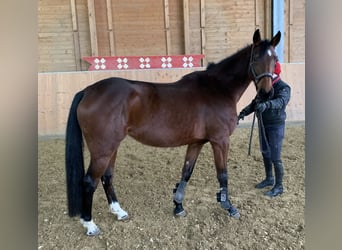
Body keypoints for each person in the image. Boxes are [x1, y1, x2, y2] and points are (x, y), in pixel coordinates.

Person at [238, 61, 291, 197]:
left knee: (275, 156)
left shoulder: (284, 87)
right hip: (263, 123)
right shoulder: (264, 88)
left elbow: (281, 102)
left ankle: (279, 186)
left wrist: (266, 105)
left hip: (275, 125)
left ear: (275, 73)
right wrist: (243, 112)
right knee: (265, 153)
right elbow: (255, 103)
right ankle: (269, 178)